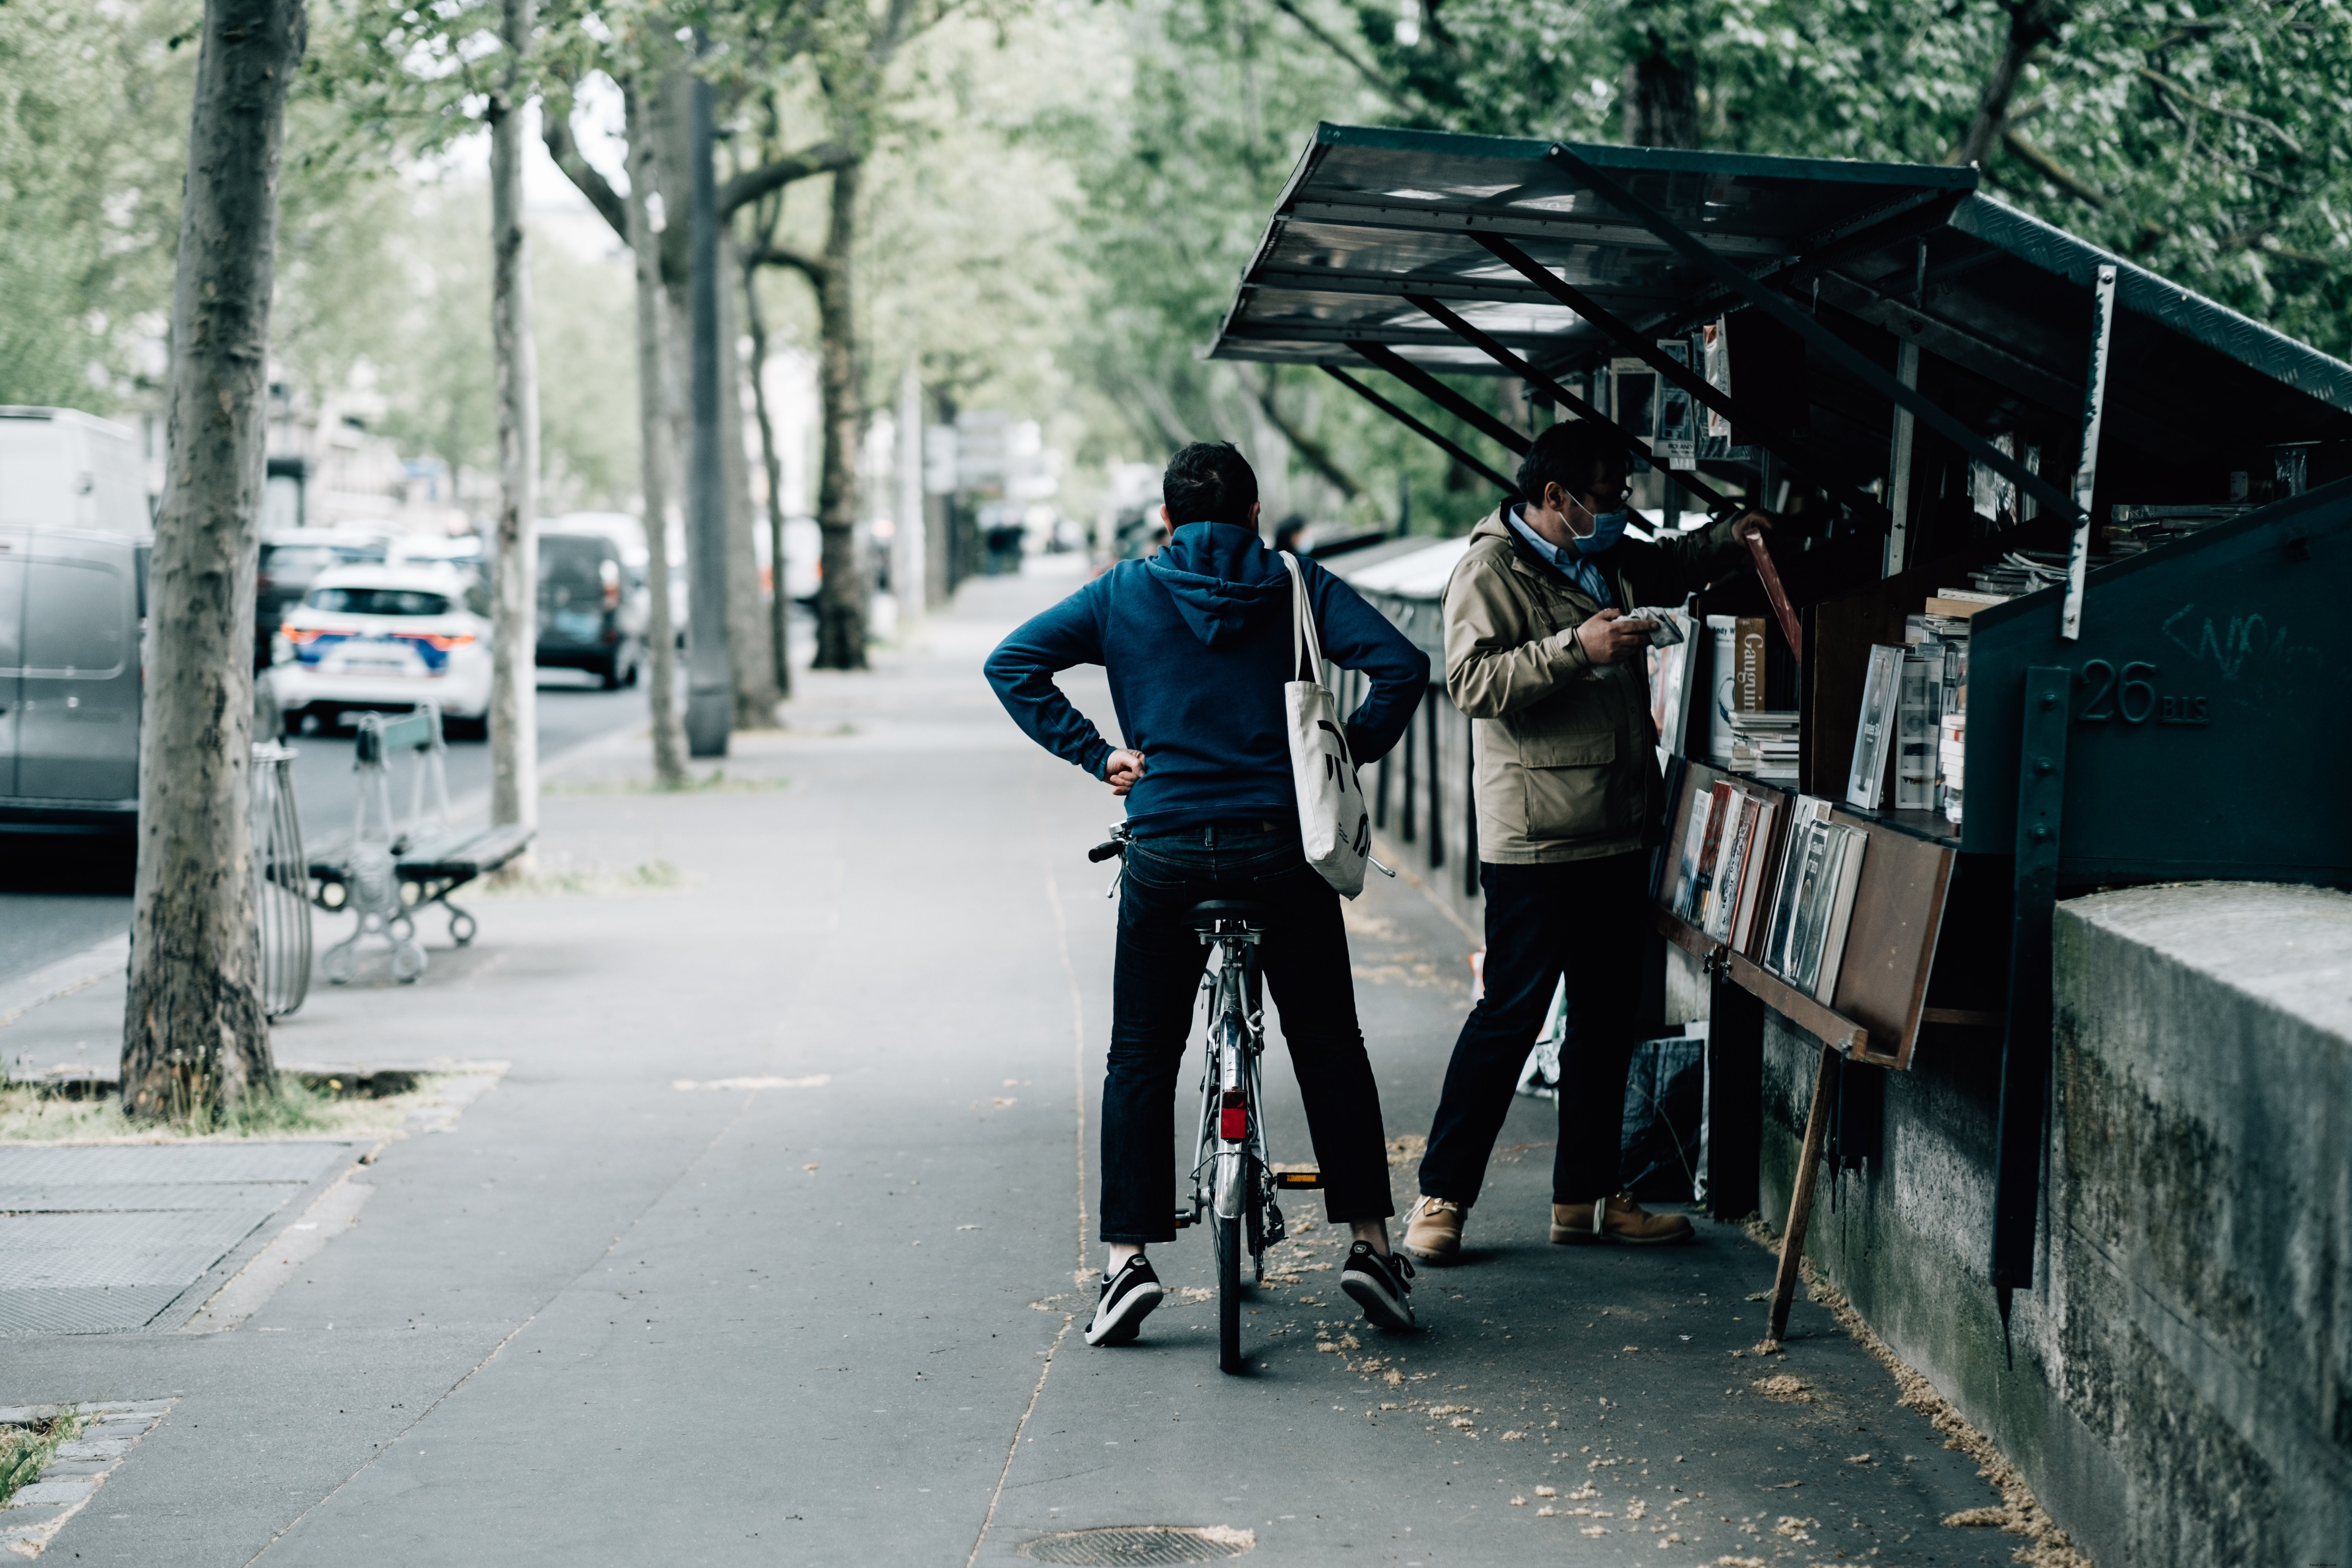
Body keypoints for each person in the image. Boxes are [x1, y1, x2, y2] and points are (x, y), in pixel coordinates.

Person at [985, 442, 1432, 1346]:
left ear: (1167, 520)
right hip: (1284, 850)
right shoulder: (1298, 585)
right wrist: (1344, 751)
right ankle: (1372, 1246)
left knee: (1142, 1054)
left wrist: (1098, 753)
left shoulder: (1123, 591)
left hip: (1166, 850)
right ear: (1257, 514)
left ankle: (1124, 1266)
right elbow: (1405, 666)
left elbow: (1013, 663)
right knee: (1330, 1045)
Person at [1402, 421, 1773, 1264]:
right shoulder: (1489, 569)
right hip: (1535, 837)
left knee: (1607, 1021)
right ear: (1556, 497)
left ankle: (1589, 1195)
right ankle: (1442, 1195)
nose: (1622, 512)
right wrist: (1580, 646)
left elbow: (1673, 564)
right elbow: (1471, 682)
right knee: (1509, 1017)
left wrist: (1739, 533)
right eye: (1609, 497)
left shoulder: (1603, 556)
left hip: (1616, 825)